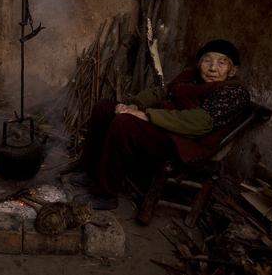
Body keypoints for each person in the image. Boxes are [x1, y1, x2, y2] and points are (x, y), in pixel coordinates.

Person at [77, 39, 251, 210]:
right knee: (105, 108)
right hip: (164, 129)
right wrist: (134, 105)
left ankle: (104, 195)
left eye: (222, 62)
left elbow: (200, 123)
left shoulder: (233, 92)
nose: (213, 68)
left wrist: (146, 115)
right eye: (207, 60)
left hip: (184, 145)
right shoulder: (191, 78)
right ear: (199, 63)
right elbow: (162, 92)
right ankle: (89, 171)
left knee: (124, 123)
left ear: (232, 70)